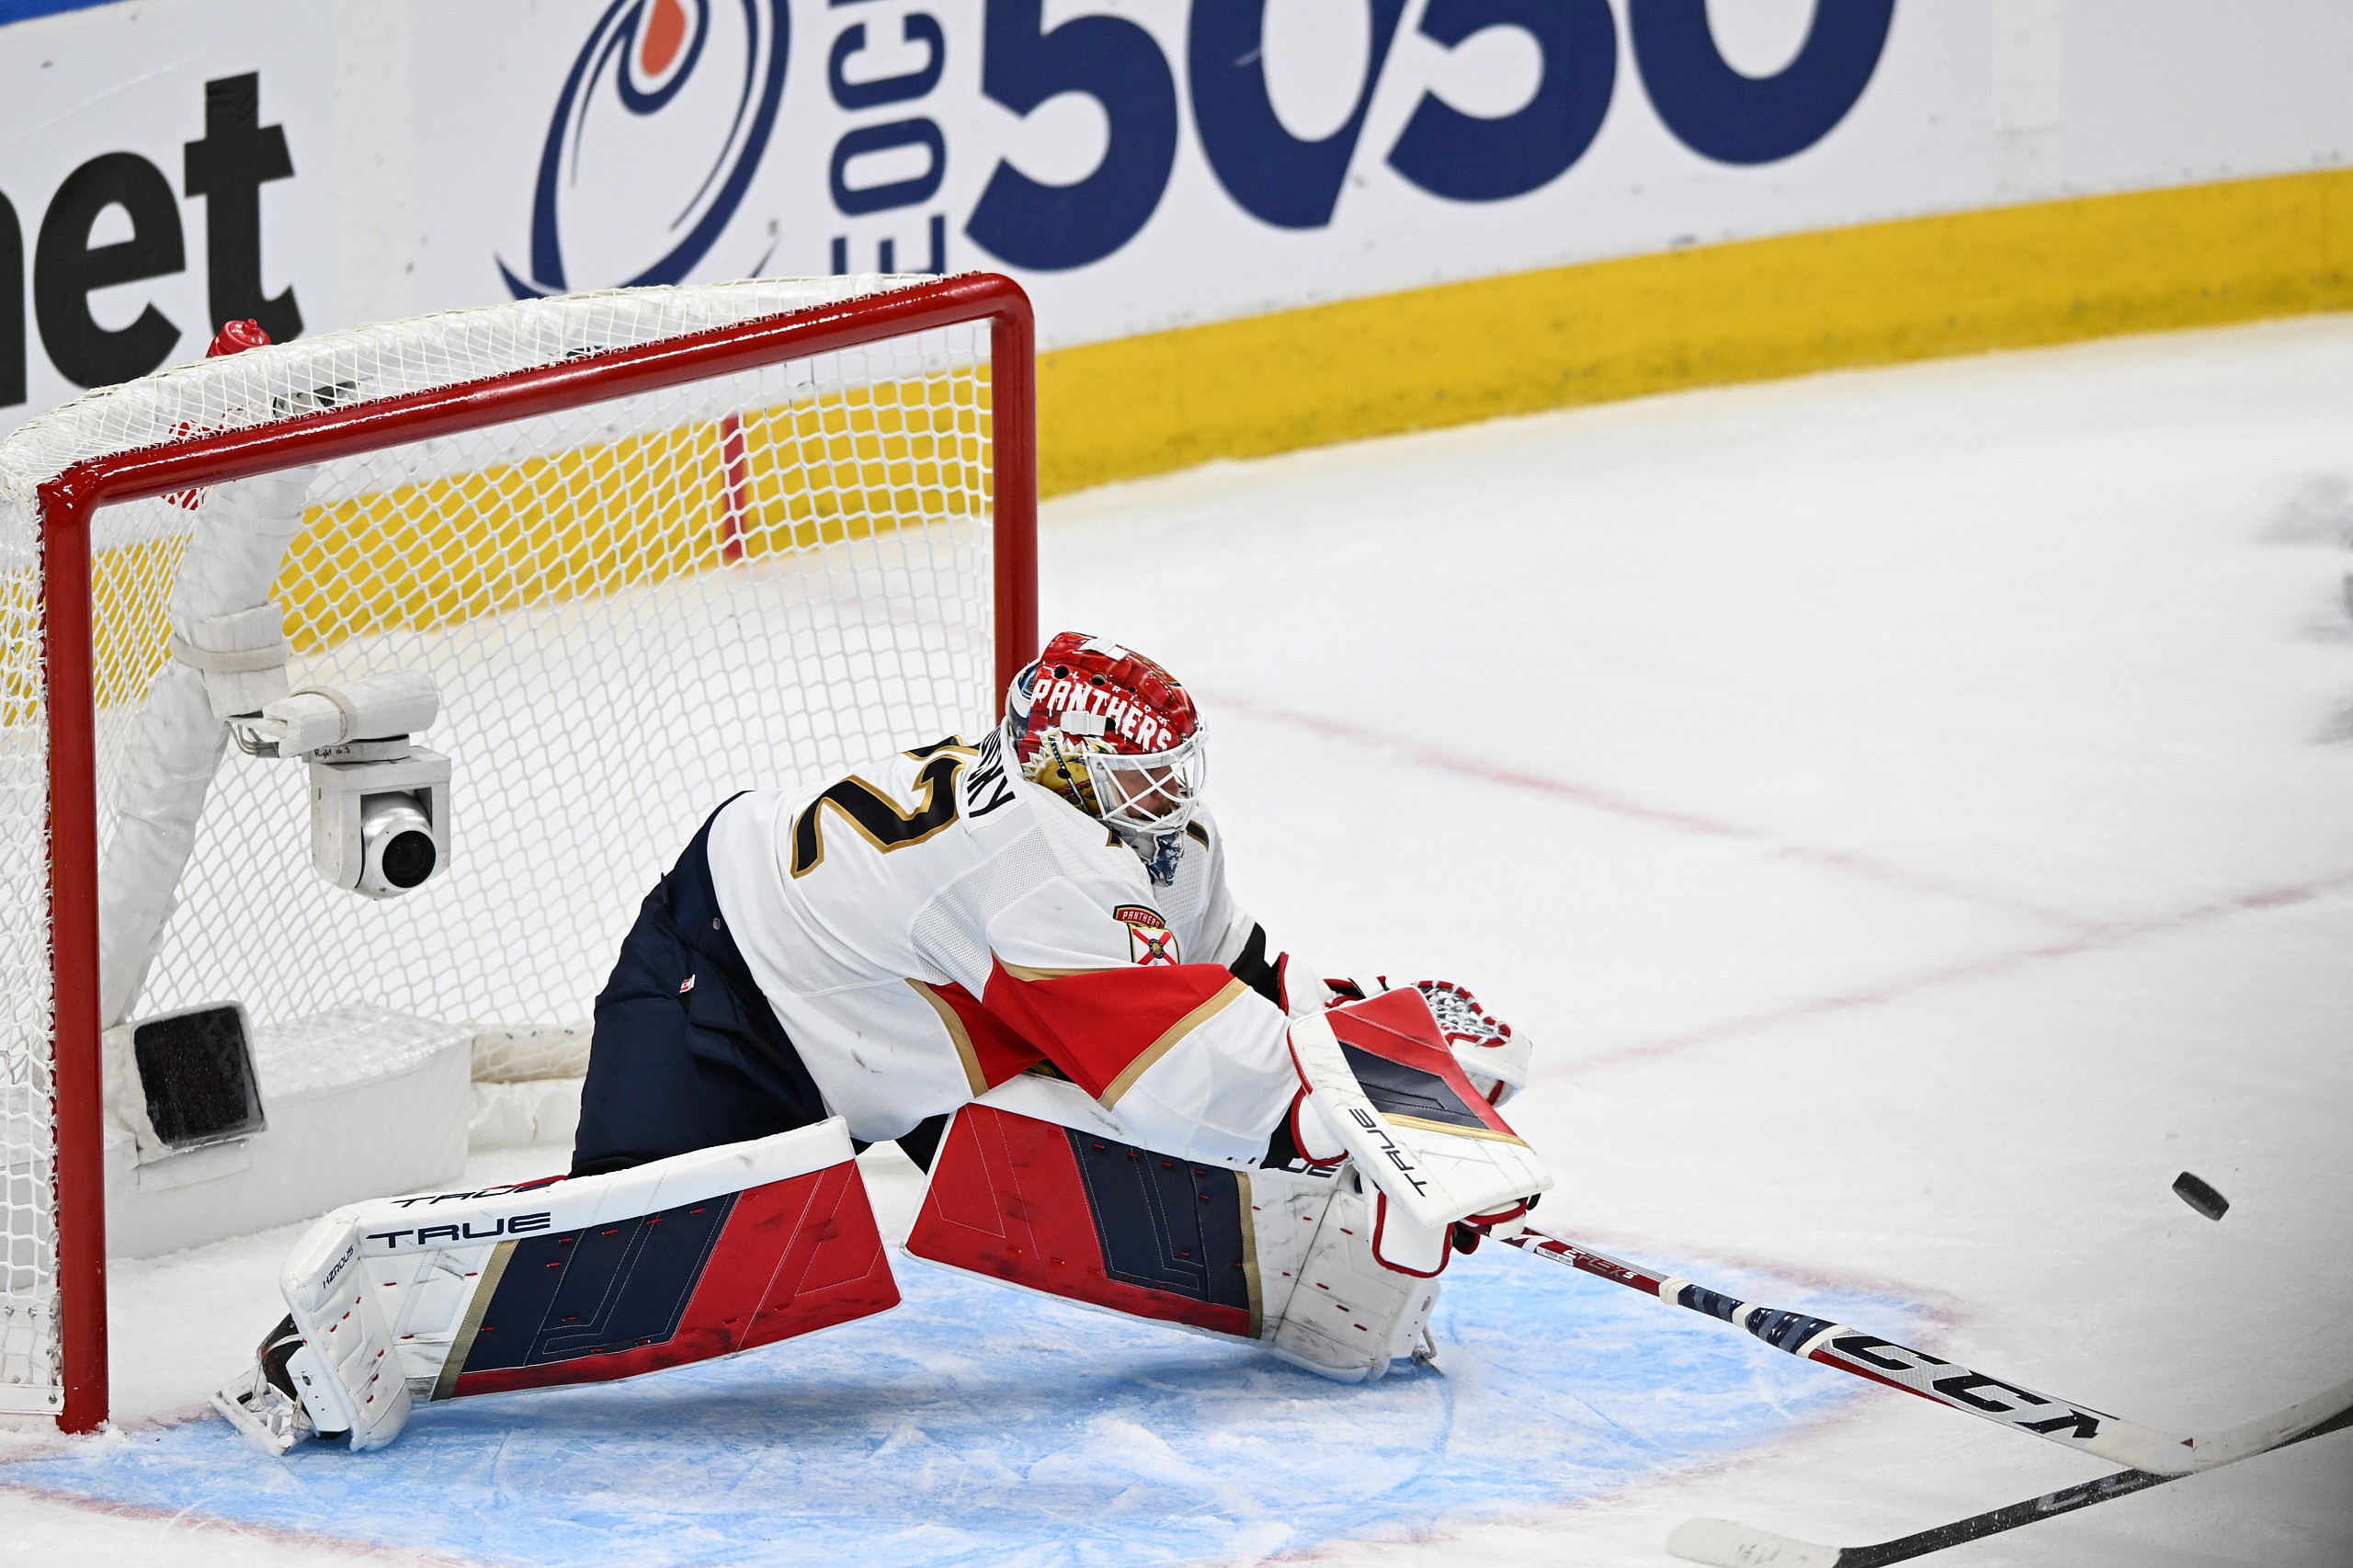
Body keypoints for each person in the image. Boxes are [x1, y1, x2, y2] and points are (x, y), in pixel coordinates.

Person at [216, 632, 1547, 1454]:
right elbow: (1185, 1063)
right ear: (1068, 768)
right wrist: (1347, 1124)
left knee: (1077, 1151)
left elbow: (1237, 973)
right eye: (1136, 781)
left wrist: (1374, 1038)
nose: (1165, 804)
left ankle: (1307, 1267)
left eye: (1172, 780)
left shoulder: (1148, 837)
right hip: (735, 990)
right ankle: (346, 1323)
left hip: (914, 1024)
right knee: (634, 1237)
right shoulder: (1039, 858)